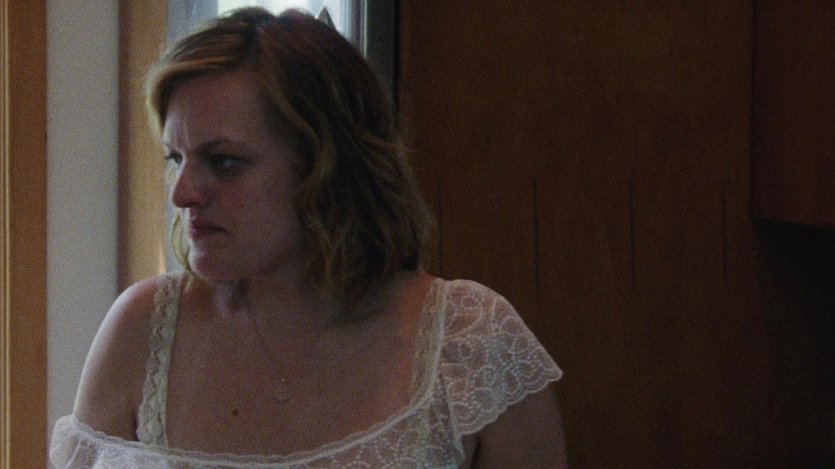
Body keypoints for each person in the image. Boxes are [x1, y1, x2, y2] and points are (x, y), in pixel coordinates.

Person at [50, 7, 566, 468]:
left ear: (326, 167)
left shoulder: (469, 342)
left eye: (224, 162)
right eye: (175, 158)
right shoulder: (143, 331)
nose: (183, 193)